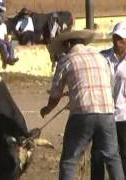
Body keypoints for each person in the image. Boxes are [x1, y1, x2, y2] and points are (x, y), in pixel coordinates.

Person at [40, 30, 124, 180]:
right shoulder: (100, 58)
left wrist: (47, 109)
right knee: (112, 157)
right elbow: (108, 84)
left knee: (69, 161)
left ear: (68, 44)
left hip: (82, 114)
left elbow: (55, 95)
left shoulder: (66, 60)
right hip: (107, 112)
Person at [91, 21, 126, 180]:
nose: (117, 41)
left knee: (123, 156)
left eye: (121, 38)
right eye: (115, 37)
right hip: (103, 114)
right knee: (98, 155)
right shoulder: (102, 57)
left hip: (124, 116)